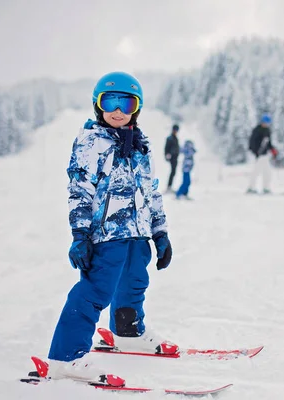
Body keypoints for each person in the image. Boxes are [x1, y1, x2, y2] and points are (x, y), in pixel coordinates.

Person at [46, 72, 176, 382]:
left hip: (137, 233)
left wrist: (160, 232)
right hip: (104, 235)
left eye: (126, 102)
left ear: (137, 108)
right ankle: (66, 357)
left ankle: (128, 332)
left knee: (134, 283)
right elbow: (79, 189)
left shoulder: (142, 147)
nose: (118, 110)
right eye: (110, 102)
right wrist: (80, 234)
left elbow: (152, 191)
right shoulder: (91, 142)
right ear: (97, 105)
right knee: (94, 291)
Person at [247, 114, 278, 194]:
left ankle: (266, 188)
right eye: (265, 122)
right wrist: (256, 153)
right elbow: (252, 142)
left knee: (267, 172)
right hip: (259, 155)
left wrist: (272, 150)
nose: (266, 124)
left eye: (267, 123)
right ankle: (251, 188)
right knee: (256, 172)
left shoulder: (267, 131)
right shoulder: (257, 130)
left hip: (264, 155)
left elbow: (268, 143)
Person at [164, 124, 180, 192]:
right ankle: (169, 186)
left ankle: (170, 186)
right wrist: (167, 155)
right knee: (173, 171)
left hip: (175, 157)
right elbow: (166, 148)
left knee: (174, 172)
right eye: (175, 130)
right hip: (172, 157)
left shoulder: (175, 138)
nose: (176, 131)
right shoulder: (170, 138)